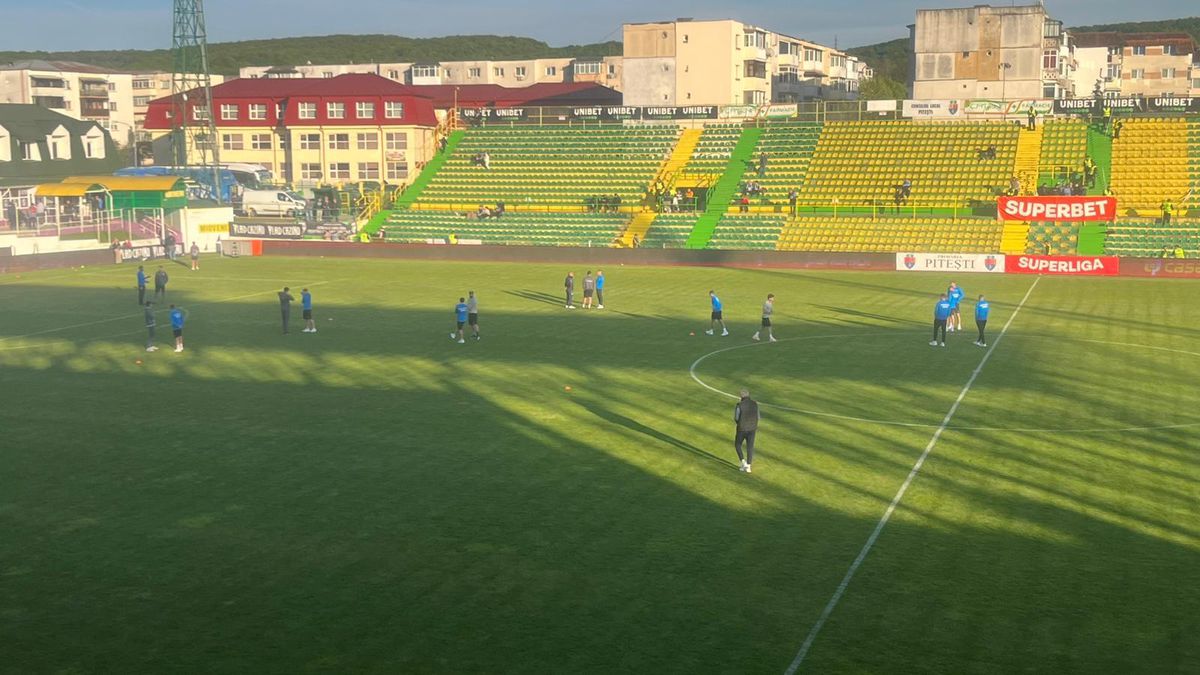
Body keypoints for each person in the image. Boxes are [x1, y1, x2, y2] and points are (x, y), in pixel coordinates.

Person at [733, 389, 760, 474]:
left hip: (742, 429)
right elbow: (758, 416)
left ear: (741, 396)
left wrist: (739, 423)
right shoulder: (755, 404)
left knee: (737, 445)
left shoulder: (739, 405)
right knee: (750, 447)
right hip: (752, 429)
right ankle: (748, 466)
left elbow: (736, 418)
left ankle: (743, 462)